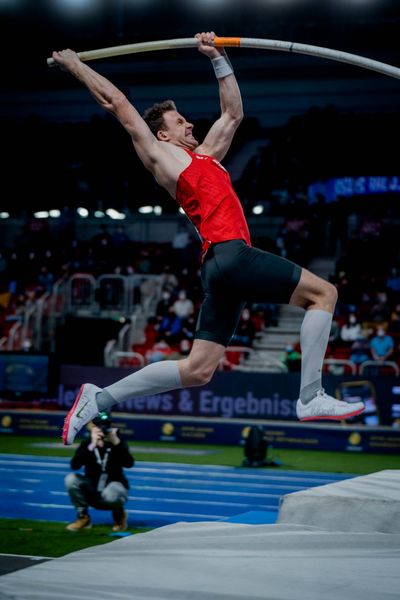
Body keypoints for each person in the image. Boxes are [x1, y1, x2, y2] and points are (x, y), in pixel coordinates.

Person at [51, 31, 365, 445]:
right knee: (323, 294)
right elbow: (118, 104)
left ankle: (100, 395)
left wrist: (216, 58)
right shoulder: (163, 157)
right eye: (180, 121)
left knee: (198, 370)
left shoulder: (207, 158)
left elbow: (233, 113)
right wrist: (75, 64)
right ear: (162, 135)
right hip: (231, 254)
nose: (189, 123)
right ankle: (310, 396)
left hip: (219, 270)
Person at [64, 412, 134, 531]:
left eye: (106, 426)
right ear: (93, 428)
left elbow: (129, 464)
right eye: (99, 426)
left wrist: (116, 442)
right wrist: (92, 445)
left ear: (111, 426)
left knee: (112, 492)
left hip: (113, 489)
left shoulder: (118, 443)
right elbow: (74, 465)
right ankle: (83, 518)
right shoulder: (88, 443)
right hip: (92, 489)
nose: (103, 429)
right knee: (71, 479)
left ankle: (119, 516)